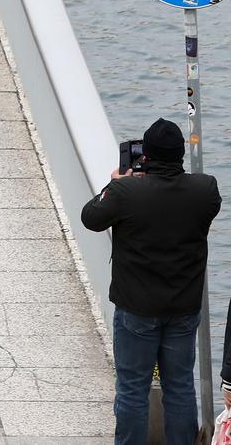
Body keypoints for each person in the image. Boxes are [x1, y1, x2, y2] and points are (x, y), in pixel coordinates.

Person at [82, 118, 221, 445]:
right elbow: (186, 199)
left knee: (132, 389)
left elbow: (91, 217)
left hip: (137, 310)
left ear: (146, 155)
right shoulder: (205, 190)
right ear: (179, 154)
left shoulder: (126, 192)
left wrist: (112, 185)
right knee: (180, 386)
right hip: (183, 310)